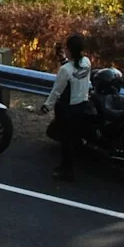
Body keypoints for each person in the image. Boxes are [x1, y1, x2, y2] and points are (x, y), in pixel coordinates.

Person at [40, 33, 93, 181]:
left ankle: (67, 170)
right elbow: (74, 71)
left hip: (67, 109)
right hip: (82, 105)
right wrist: (63, 59)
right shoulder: (87, 62)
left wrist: (46, 106)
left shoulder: (65, 70)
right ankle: (70, 165)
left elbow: (57, 90)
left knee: (66, 140)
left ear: (69, 50)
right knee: (75, 137)